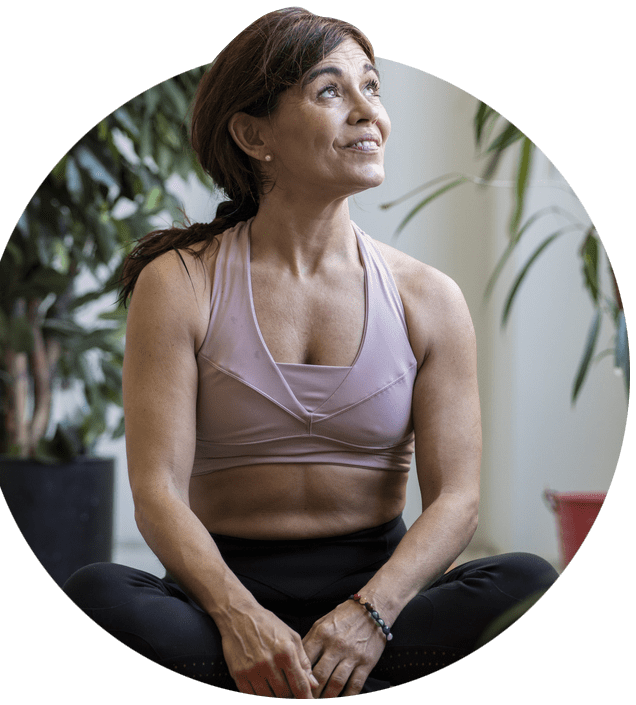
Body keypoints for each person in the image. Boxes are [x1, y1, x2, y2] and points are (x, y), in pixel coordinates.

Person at [63, 7, 559, 697]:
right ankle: (322, 678)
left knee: (526, 581)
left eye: (372, 88)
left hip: (376, 592)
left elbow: (459, 501)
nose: (367, 112)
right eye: (331, 92)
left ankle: (287, 680)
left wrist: (370, 613)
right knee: (97, 592)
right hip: (219, 592)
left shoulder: (429, 297)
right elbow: (157, 492)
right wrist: (239, 617)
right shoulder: (180, 282)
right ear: (253, 134)